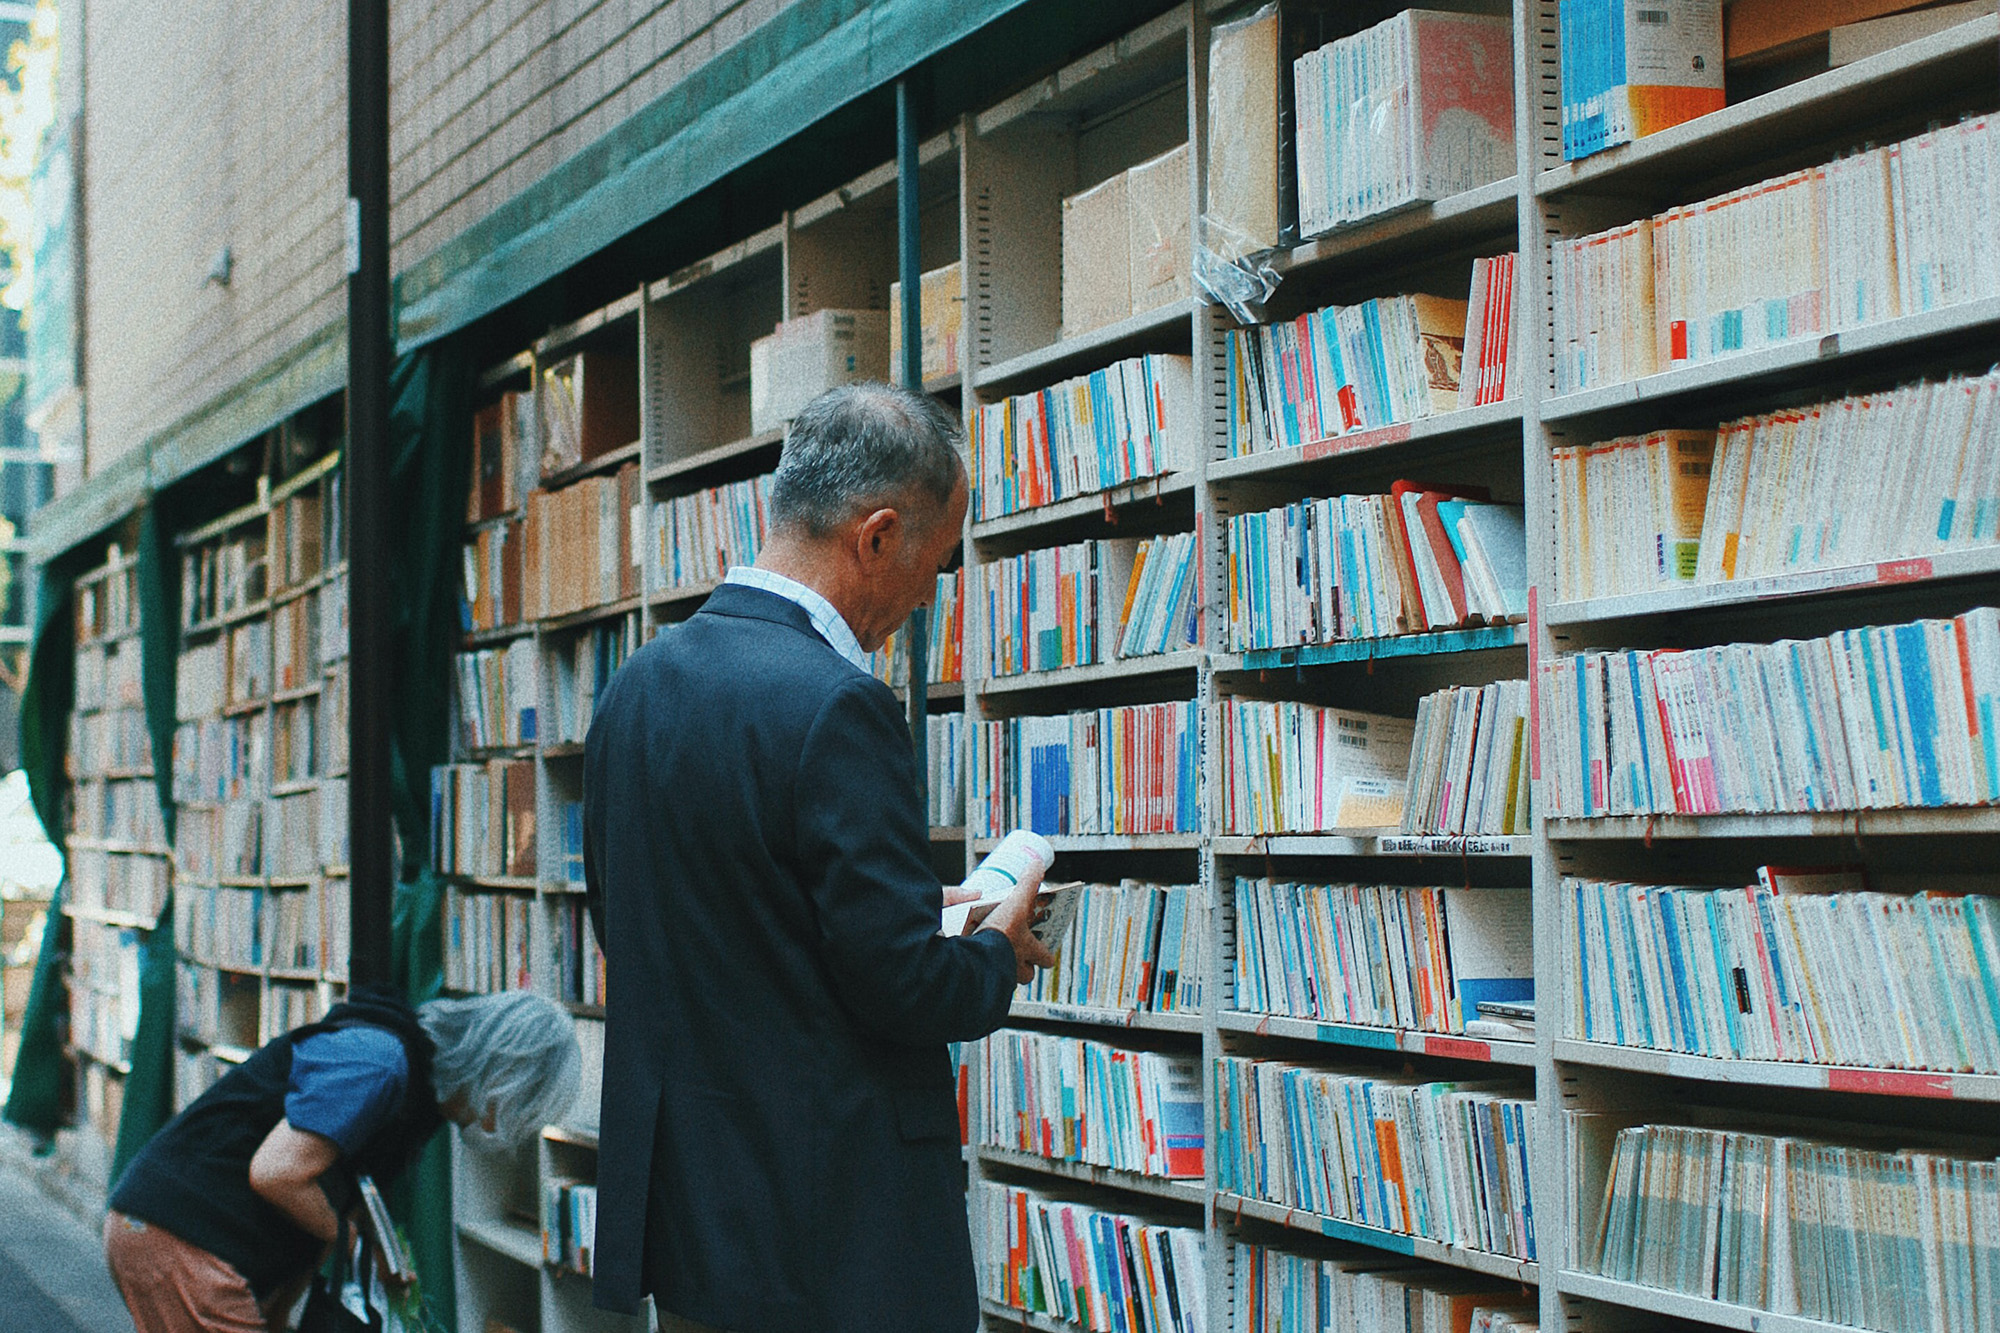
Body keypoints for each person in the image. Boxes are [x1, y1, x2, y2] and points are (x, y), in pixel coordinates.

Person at [584, 382, 1056, 1332]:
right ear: (878, 536)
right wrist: (998, 944)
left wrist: (908, 908)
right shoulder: (840, 706)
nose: (931, 595)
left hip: (694, 1226)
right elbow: (907, 992)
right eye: (936, 563)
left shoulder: (635, 687)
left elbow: (678, 925)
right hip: (830, 1236)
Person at [104, 986, 582, 1333]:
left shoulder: (419, 1094)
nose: (505, 1128)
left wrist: (371, 1246)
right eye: (517, 1107)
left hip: (200, 1240)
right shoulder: (378, 1061)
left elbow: (330, 1190)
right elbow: (279, 1175)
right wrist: (352, 1240)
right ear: (497, 1075)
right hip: (185, 1236)